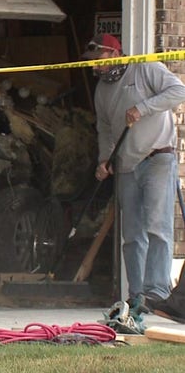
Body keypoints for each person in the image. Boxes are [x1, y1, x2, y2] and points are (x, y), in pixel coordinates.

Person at [83, 33, 185, 310]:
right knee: (132, 233)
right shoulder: (102, 90)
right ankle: (137, 295)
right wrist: (105, 160)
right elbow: (104, 128)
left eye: (99, 59)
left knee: (158, 227)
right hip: (126, 165)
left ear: (114, 54)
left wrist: (143, 107)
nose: (95, 66)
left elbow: (179, 91)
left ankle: (157, 292)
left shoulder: (145, 68)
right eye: (92, 61)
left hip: (157, 158)